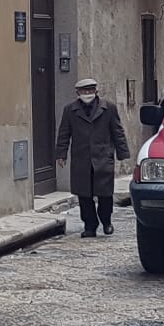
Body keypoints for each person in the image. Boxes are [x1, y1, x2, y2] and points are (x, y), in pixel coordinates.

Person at [56, 77, 130, 238]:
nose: (87, 93)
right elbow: (64, 133)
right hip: (81, 159)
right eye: (84, 91)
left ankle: (106, 220)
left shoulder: (108, 108)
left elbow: (117, 131)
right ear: (78, 92)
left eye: (90, 90)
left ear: (96, 91)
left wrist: (122, 152)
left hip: (103, 157)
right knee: (84, 196)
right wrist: (61, 154)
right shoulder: (70, 110)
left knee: (105, 194)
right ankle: (90, 226)